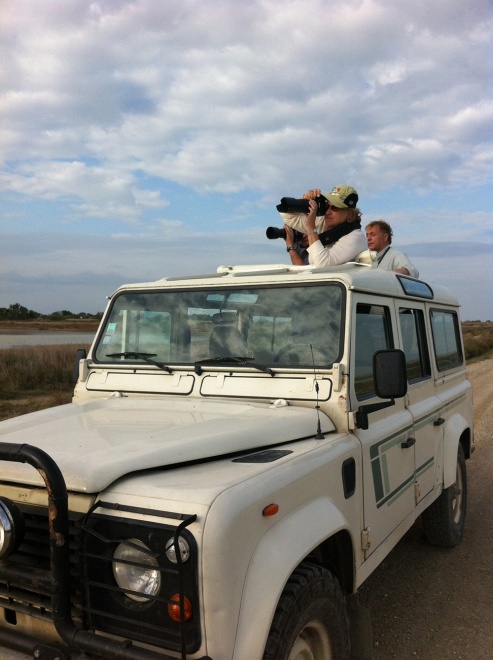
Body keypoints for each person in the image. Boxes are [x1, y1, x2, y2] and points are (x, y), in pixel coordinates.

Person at [279, 185, 367, 267]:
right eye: (327, 206)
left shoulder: (356, 237)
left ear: (350, 213)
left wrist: (311, 229)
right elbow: (287, 216)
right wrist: (304, 199)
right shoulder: (324, 223)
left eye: (334, 208)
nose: (327, 212)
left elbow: (321, 263)